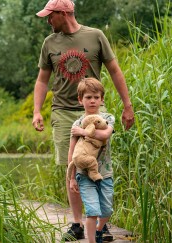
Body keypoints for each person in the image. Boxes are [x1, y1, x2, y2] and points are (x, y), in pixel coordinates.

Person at [32, 0, 135, 241]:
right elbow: (42, 80)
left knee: (98, 166)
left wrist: (127, 106)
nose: (48, 20)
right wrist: (37, 111)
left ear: (63, 13)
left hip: (95, 114)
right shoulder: (49, 43)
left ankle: (101, 225)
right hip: (63, 112)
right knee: (73, 166)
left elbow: (115, 71)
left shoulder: (96, 36)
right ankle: (77, 223)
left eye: (50, 16)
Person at [68, 78, 115, 243]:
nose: (93, 100)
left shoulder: (108, 118)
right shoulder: (77, 123)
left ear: (102, 99)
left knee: (107, 210)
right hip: (84, 174)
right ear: (81, 100)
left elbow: (104, 135)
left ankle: (98, 229)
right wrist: (72, 178)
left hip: (105, 173)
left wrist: (83, 132)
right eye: (88, 97)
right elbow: (72, 152)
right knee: (92, 210)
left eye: (96, 97)